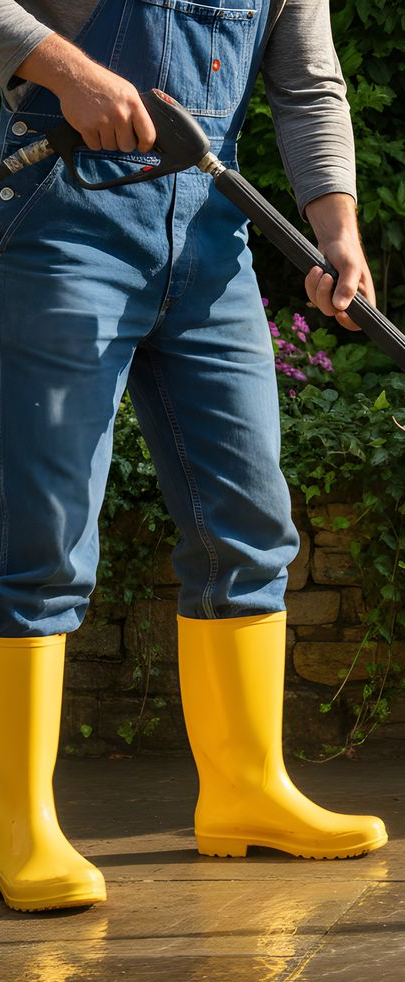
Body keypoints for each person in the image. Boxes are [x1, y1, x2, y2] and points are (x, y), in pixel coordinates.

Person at [0, 0, 385, 913]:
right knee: (43, 536)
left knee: (248, 520)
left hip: (209, 238)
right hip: (61, 225)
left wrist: (338, 231)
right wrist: (66, 67)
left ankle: (247, 793)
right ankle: (19, 822)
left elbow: (306, 87)